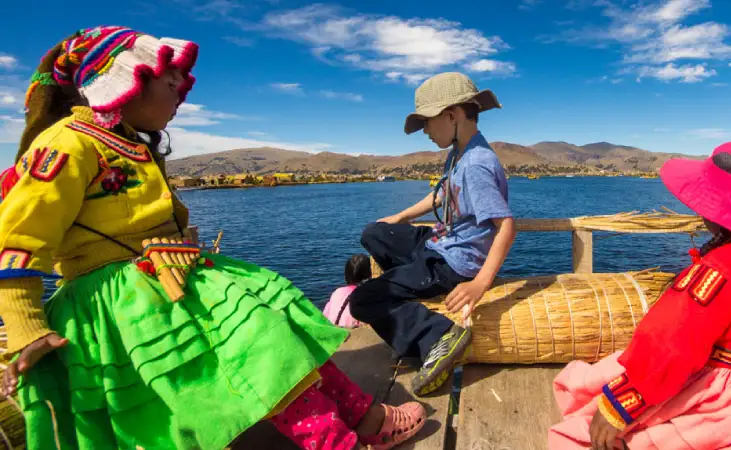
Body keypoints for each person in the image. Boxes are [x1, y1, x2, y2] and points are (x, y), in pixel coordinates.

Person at [0, 26, 426, 450]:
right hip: (128, 306)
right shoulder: (67, 146)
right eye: (170, 84)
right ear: (128, 81)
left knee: (277, 337)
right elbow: (17, 237)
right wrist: (25, 327)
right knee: (261, 359)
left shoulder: (126, 142)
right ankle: (338, 442)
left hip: (173, 280)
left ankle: (362, 416)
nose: (177, 98)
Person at [548, 139, 731, 450]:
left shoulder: (723, 268)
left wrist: (619, 407)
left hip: (726, 408)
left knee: (581, 433)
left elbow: (672, 342)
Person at [348, 72, 516, 397]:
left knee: (362, 300)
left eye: (427, 122)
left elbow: (506, 227)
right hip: (438, 242)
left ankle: (435, 335)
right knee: (375, 233)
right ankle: (405, 289)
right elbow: (440, 196)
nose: (425, 131)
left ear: (451, 115)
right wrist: (399, 217)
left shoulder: (477, 164)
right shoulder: (459, 152)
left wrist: (480, 283)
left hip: (451, 264)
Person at [323, 254, 370, 328]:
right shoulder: (367, 295)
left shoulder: (337, 292)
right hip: (354, 333)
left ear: (346, 276)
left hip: (335, 330)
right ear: (370, 274)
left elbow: (326, 315)